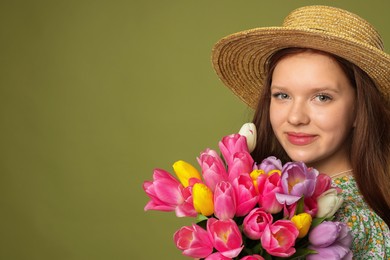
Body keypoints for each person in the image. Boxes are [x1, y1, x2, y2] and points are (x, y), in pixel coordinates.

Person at [211, 5, 390, 259]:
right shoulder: (266, 197)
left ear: (361, 110)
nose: (295, 117)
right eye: (282, 95)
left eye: (321, 97)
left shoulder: (348, 224)